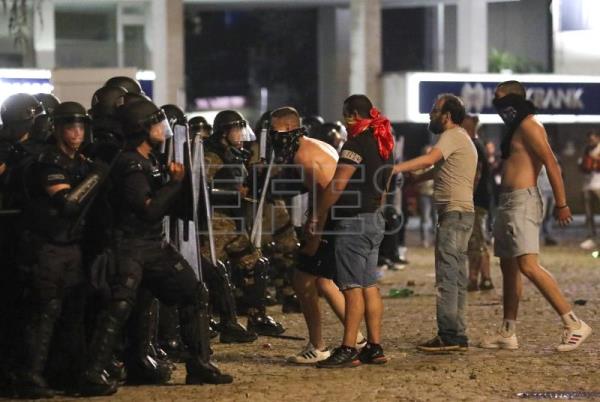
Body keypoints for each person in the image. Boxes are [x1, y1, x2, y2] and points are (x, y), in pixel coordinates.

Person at [80, 99, 232, 397]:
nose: (162, 129)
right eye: (156, 124)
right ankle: (93, 371)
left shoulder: (149, 161)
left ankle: (199, 363)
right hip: (129, 247)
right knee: (119, 307)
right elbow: (148, 209)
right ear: (141, 129)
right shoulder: (130, 165)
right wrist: (175, 183)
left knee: (192, 292)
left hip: (152, 245)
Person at [481, 80, 591, 352]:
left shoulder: (530, 125)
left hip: (523, 202)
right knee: (508, 267)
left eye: (499, 97)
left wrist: (562, 203)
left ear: (512, 99)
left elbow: (552, 162)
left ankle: (573, 322)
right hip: (507, 204)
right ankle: (508, 332)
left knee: (528, 265)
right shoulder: (515, 128)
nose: (495, 102)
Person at [15, 102, 107, 398]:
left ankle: (68, 374)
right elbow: (67, 203)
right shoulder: (47, 162)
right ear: (57, 129)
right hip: (47, 248)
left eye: (81, 126)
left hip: (71, 247)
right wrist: (96, 176)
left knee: (73, 314)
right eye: (70, 127)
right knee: (45, 313)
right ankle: (29, 376)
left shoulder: (78, 161)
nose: (77, 132)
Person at [266, 106, 366, 364]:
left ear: (288, 128)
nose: (270, 136)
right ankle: (357, 339)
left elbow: (326, 193)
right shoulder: (314, 146)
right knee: (323, 281)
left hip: (332, 218)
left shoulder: (304, 156)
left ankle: (318, 345)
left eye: (273, 130)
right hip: (337, 217)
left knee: (302, 280)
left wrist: (315, 229)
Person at [306, 94, 392, 368]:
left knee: (352, 288)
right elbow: (385, 182)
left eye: (346, 114)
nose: (345, 120)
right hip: (375, 219)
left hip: (354, 222)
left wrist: (318, 216)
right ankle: (374, 347)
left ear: (353, 114)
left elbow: (337, 184)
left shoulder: (355, 144)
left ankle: (348, 348)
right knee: (369, 285)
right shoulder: (382, 142)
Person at [394, 94, 477, 352]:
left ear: (447, 116)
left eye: (434, 109)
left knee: (447, 276)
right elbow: (440, 169)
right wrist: (415, 180)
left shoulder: (451, 136)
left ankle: (449, 335)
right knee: (456, 276)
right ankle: (457, 333)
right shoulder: (462, 137)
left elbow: (430, 160)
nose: (430, 114)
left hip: (454, 214)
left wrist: (395, 169)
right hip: (461, 213)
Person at [202, 109, 285, 336]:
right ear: (223, 133)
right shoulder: (212, 156)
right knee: (213, 272)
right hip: (213, 225)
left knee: (256, 263)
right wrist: (231, 194)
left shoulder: (237, 155)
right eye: (236, 130)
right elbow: (200, 189)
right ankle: (217, 321)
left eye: (241, 129)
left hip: (232, 222)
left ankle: (256, 317)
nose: (240, 134)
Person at [462, 114, 494, 291]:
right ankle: (485, 278)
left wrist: (467, 197)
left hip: (475, 200)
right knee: (478, 239)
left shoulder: (473, 145)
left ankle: (475, 278)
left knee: (475, 241)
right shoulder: (478, 144)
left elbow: (476, 174)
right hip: (481, 199)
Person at [579, 130, 600, 250]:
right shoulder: (586, 150)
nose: (590, 142)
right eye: (589, 140)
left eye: (592, 139)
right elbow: (583, 167)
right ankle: (591, 236)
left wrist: (595, 162)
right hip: (588, 185)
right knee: (588, 213)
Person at [415, 145, 436, 248]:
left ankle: (436, 240)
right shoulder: (420, 165)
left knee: (435, 218)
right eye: (427, 152)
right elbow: (416, 179)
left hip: (435, 194)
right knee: (425, 218)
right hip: (424, 194)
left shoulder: (435, 164)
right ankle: (424, 240)